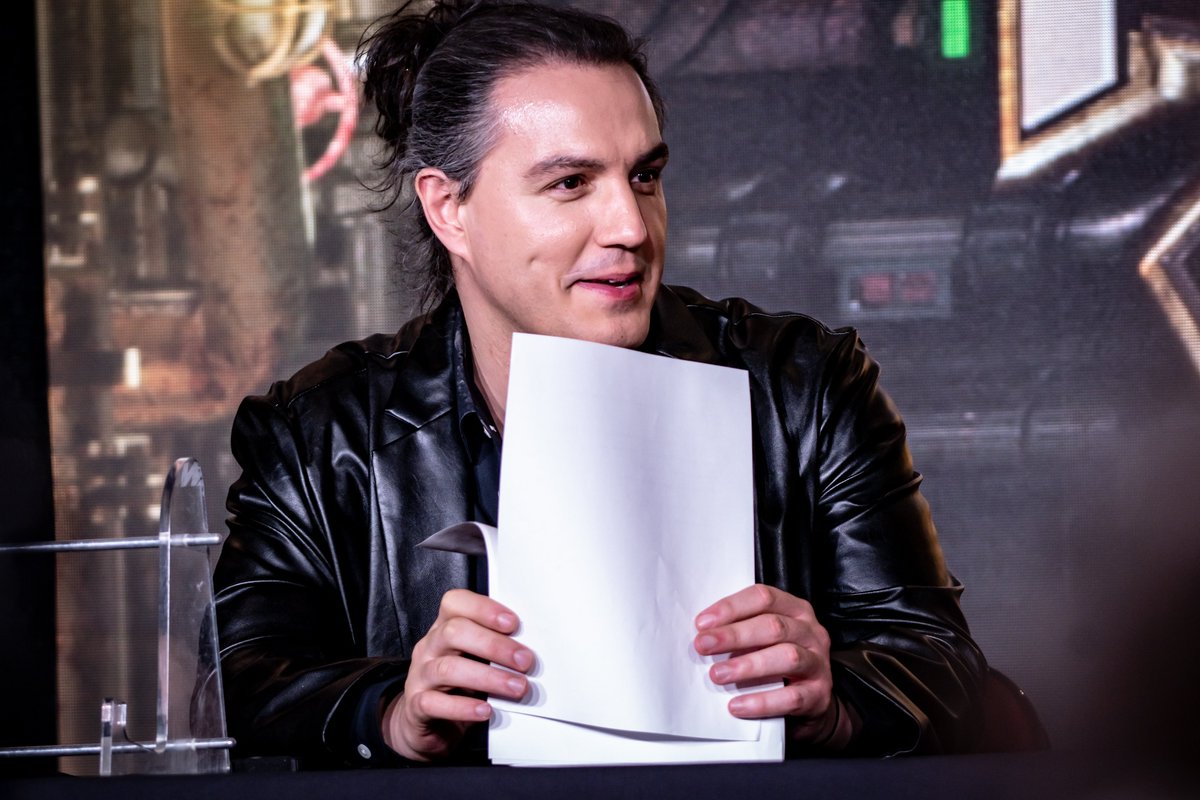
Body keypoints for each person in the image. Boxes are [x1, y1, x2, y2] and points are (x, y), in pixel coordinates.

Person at [214, 0, 986, 768]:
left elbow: (942, 668)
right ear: (449, 209)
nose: (631, 227)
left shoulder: (804, 388)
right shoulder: (317, 437)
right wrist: (389, 710)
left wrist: (835, 702)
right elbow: (237, 685)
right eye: (571, 183)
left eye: (644, 176)